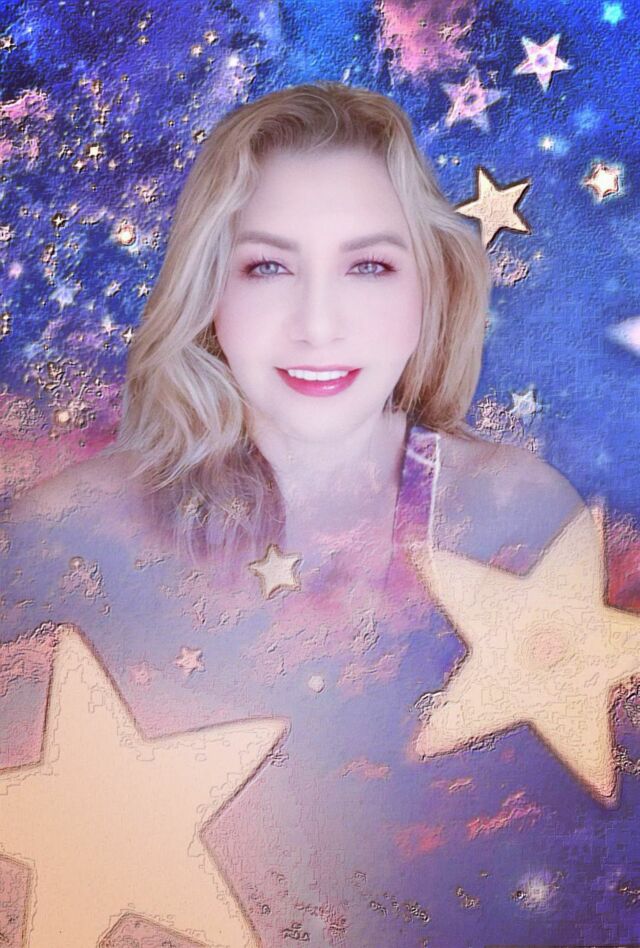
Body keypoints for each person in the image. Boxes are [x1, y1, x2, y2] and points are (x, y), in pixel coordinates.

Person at [1, 81, 637, 946]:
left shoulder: (518, 519)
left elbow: (591, 861)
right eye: (268, 267)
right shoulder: (67, 535)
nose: (318, 324)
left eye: (369, 266)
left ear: (431, 287)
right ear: (210, 295)